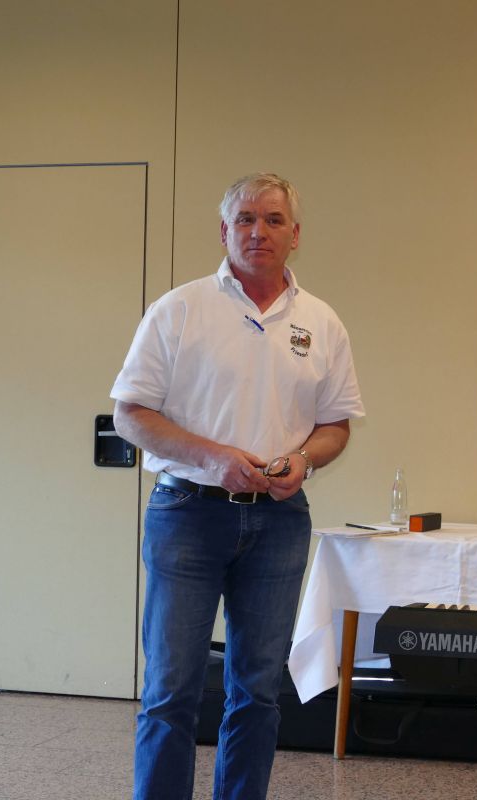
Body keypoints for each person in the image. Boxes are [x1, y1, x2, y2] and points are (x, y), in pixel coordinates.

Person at [111, 173, 364, 800]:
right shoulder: (180, 309)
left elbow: (336, 426)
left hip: (279, 520)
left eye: (273, 220)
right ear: (224, 231)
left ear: (295, 235)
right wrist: (213, 457)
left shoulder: (322, 322)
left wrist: (304, 459)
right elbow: (130, 415)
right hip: (188, 512)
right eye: (245, 219)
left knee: (257, 691)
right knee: (172, 688)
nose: (258, 231)